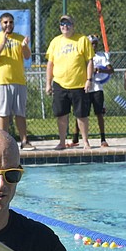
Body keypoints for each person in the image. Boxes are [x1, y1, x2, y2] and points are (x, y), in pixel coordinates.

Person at [45, 14, 94, 151]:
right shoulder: (55, 42)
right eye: (62, 24)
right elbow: (50, 64)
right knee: (61, 114)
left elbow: (89, 61)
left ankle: (85, 142)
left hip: (79, 84)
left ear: (73, 25)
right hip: (60, 83)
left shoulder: (82, 40)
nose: (65, 26)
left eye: (68, 24)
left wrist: (89, 80)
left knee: (82, 115)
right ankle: (62, 142)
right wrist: (48, 83)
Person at [0, 12, 34, 150]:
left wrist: (25, 46)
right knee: (3, 114)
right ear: (0, 24)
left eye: (11, 22)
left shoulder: (19, 38)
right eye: (5, 22)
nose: (8, 25)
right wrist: (2, 44)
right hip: (1, 81)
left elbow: (26, 56)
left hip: (18, 81)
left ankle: (24, 141)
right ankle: (4, 142)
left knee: (20, 113)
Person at [70, 35, 114, 148]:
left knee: (99, 113)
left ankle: (103, 139)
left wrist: (100, 69)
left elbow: (110, 70)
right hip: (84, 88)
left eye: (95, 43)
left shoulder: (101, 57)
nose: (93, 46)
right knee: (80, 114)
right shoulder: (82, 56)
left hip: (97, 89)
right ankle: (75, 137)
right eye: (91, 43)